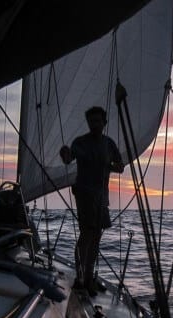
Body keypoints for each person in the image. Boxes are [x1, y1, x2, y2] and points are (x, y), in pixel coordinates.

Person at [60, 106, 124, 296]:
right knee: (86, 234)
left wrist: (110, 166)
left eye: (98, 121)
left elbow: (120, 167)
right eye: (91, 121)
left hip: (101, 196)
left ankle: (88, 277)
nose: (94, 124)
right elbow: (68, 159)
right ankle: (81, 278)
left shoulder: (109, 144)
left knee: (96, 236)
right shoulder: (80, 142)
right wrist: (64, 153)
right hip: (85, 194)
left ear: (104, 122)